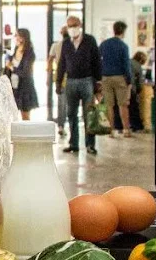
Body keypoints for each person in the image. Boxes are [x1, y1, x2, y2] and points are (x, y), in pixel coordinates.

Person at [56, 15, 102, 155]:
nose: (72, 28)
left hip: (86, 81)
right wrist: (58, 82)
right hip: (70, 82)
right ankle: (73, 144)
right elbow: (61, 64)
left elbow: (97, 62)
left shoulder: (89, 40)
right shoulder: (66, 43)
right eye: (69, 26)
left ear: (80, 24)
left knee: (89, 114)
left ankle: (90, 144)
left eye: (74, 25)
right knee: (71, 114)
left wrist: (98, 82)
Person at [100, 21, 133, 138]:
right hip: (119, 78)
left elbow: (99, 60)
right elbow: (126, 65)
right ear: (123, 31)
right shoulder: (123, 46)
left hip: (106, 77)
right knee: (122, 105)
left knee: (109, 105)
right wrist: (129, 81)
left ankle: (112, 130)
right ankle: (126, 130)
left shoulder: (104, 44)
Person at [6, 28, 38, 120]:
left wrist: (12, 67)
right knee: (12, 114)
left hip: (25, 87)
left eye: (16, 35)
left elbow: (25, 72)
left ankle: (27, 133)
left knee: (25, 114)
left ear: (22, 37)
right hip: (14, 86)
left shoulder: (29, 53)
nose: (14, 37)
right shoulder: (16, 49)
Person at [47, 26, 69, 135]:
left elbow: (50, 61)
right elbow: (50, 61)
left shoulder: (56, 45)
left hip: (63, 77)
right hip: (64, 77)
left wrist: (48, 75)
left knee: (62, 103)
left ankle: (61, 125)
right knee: (63, 103)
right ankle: (61, 125)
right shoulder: (57, 45)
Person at [131, 51, 152, 133]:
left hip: (122, 86)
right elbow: (140, 82)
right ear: (141, 60)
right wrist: (138, 91)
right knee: (134, 107)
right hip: (131, 88)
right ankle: (137, 126)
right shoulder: (138, 65)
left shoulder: (128, 61)